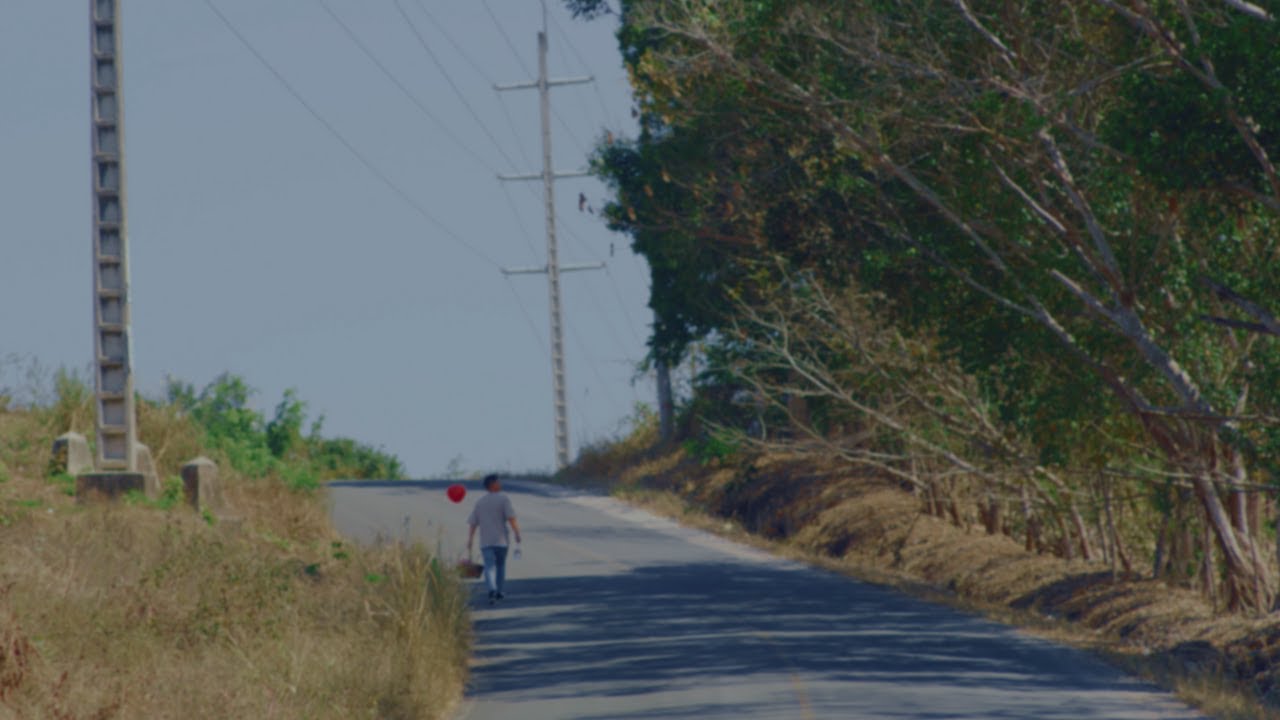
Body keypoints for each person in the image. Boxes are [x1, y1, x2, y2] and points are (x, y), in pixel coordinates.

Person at [467, 473, 522, 604]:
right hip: (501, 541)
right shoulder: (504, 499)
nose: (500, 484)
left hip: (486, 541)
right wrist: (517, 533)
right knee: (500, 566)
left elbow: (473, 523)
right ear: (492, 485)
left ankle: (492, 589)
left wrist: (470, 539)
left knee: (489, 566)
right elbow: (511, 518)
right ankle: (498, 591)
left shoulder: (480, 502)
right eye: (498, 482)